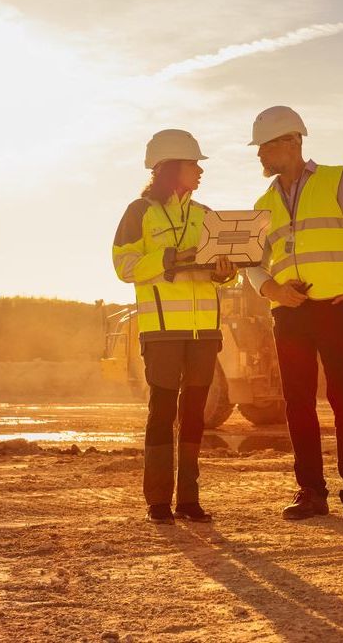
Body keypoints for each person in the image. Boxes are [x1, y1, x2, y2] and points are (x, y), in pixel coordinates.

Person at [242, 105, 343, 523]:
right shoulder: (263, 203)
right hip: (289, 315)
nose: (259, 156)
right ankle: (310, 492)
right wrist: (271, 289)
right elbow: (252, 262)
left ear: (291, 143)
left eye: (264, 147)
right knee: (298, 404)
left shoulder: (336, 179)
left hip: (335, 309)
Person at [112, 129, 234, 524]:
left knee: (195, 413)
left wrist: (225, 272)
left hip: (204, 332)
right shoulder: (138, 212)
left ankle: (189, 500)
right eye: (193, 164)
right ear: (169, 168)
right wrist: (169, 257)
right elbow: (124, 267)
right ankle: (159, 502)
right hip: (162, 331)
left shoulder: (206, 215)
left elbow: (225, 277)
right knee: (162, 412)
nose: (199, 171)